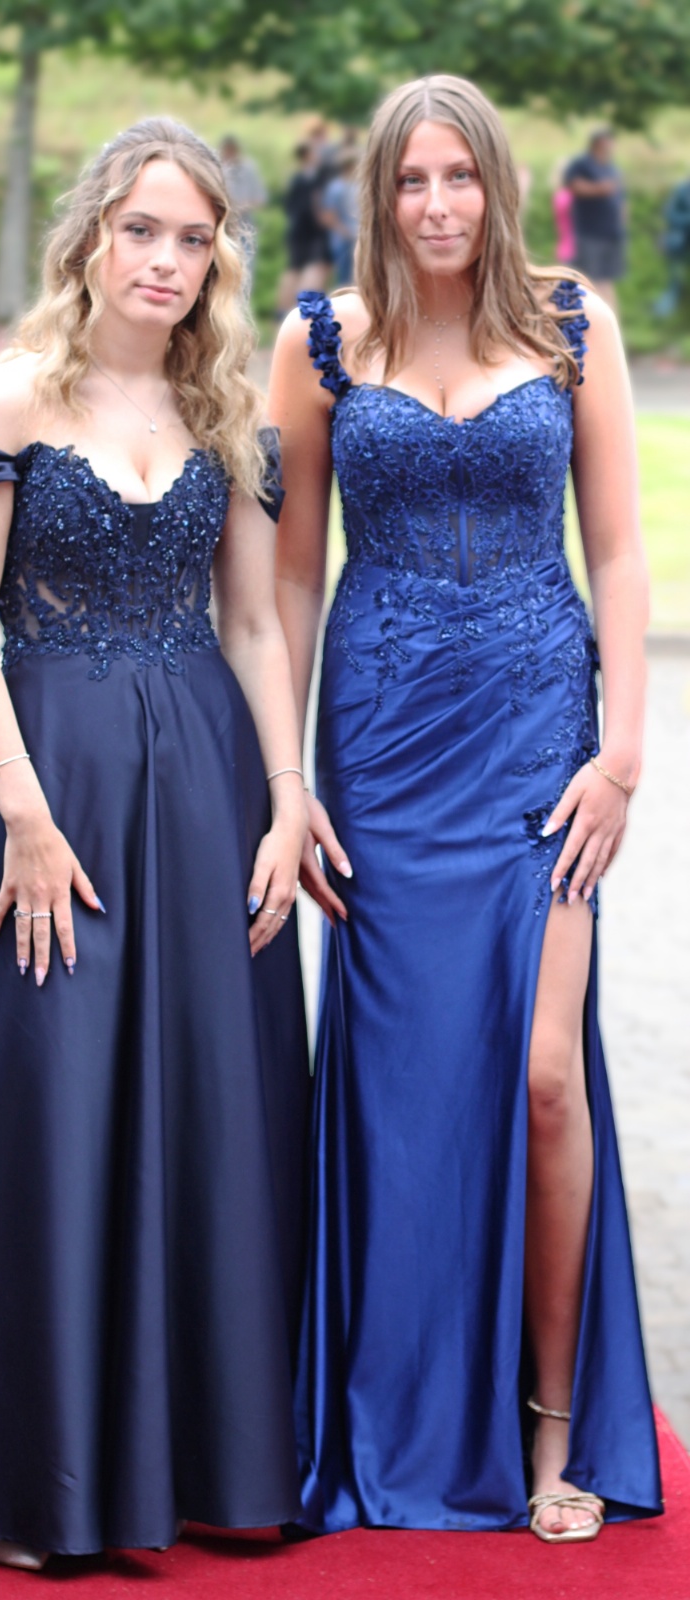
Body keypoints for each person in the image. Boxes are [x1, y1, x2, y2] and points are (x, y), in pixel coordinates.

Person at [0, 118, 311, 1571]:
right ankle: (10, 1479)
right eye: (142, 229)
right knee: (39, 1099)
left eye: (193, 238)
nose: (165, 259)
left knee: (206, 1109)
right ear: (91, 235)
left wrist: (287, 797)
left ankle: (191, 1463)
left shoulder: (227, 411)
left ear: (217, 259)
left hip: (207, 792)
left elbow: (254, 622)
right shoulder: (7, 397)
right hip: (47, 790)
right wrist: (26, 816)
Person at [270, 74, 662, 1544]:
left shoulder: (570, 325)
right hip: (380, 746)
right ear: (376, 194)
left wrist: (622, 753)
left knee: (545, 1074)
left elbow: (618, 553)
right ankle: (390, 1410)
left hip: (538, 742)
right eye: (409, 180)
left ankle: (551, 1422)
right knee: (398, 1090)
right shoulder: (320, 339)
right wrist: (287, 780)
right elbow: (286, 581)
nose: (435, 205)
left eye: (458, 176)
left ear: (496, 183)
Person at [564, 128, 626, 313]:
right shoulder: (582, 164)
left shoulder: (611, 168)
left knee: (607, 279)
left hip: (612, 233)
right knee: (589, 278)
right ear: (598, 143)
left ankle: (611, 317)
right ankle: (591, 317)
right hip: (590, 232)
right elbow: (573, 186)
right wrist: (599, 189)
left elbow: (621, 199)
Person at [276, 142, 332, 317]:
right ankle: (304, 313)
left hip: (297, 230)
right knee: (313, 269)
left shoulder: (296, 179)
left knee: (294, 269)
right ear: (308, 155)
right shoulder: (314, 179)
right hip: (312, 231)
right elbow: (315, 207)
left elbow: (289, 206)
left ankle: (284, 313)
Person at [219, 133, 267, 275]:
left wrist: (240, 207)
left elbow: (260, 199)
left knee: (246, 271)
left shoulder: (249, 169)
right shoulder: (218, 168)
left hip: (244, 227)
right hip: (222, 228)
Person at [319, 148, 360, 287]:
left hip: (357, 237)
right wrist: (345, 232)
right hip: (343, 240)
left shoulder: (357, 186)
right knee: (344, 280)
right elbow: (328, 215)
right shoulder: (336, 188)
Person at [653, 173, 690, 318]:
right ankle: (671, 296)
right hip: (682, 239)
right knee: (673, 241)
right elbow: (670, 214)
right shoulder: (682, 190)